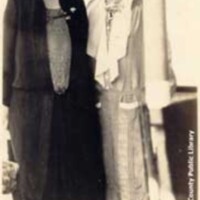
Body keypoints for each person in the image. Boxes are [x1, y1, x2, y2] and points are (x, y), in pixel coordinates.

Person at [2, 0, 106, 200]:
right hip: (30, 114)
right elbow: (6, 60)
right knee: (34, 185)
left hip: (70, 111)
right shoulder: (18, 4)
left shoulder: (75, 4)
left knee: (72, 182)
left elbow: (83, 58)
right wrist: (4, 104)